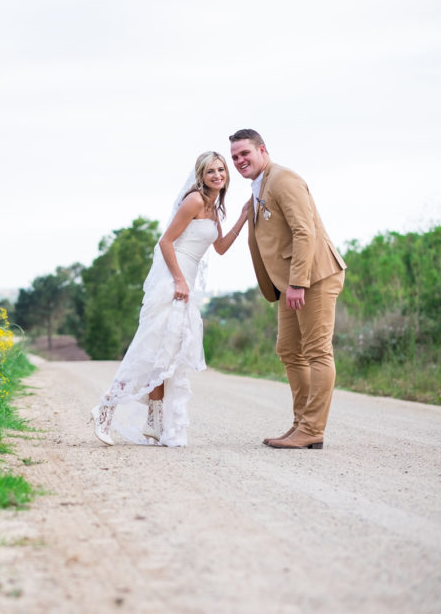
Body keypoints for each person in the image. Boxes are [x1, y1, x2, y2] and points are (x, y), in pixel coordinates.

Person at [91, 151, 248, 447]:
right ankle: (105, 409)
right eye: (210, 171)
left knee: (169, 355)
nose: (217, 175)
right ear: (201, 176)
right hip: (171, 283)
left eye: (221, 170)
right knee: (148, 350)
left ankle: (154, 422)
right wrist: (177, 279)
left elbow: (222, 247)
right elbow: (165, 241)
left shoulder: (214, 209)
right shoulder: (195, 201)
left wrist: (242, 217)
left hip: (185, 286)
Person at [228, 129, 346, 449]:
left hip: (314, 277)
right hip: (290, 285)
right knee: (288, 349)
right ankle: (300, 425)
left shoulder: (283, 179)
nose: (239, 160)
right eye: (235, 156)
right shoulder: (259, 186)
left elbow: (303, 232)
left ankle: (312, 428)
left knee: (317, 352)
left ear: (262, 150)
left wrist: (297, 283)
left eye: (244, 153)